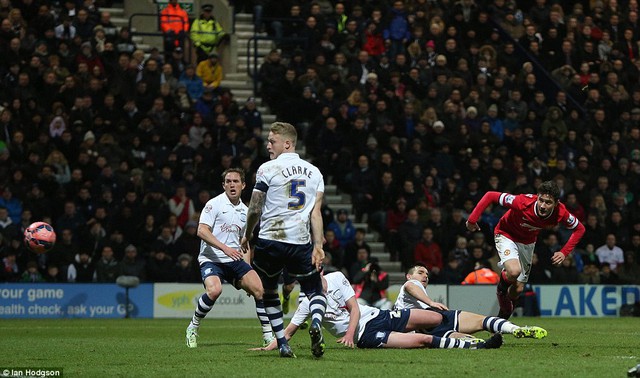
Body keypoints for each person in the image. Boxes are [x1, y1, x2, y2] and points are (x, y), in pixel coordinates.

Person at [241, 122, 327, 358]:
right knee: (315, 291)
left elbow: (255, 208)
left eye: (272, 141)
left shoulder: (267, 169)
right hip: (300, 242)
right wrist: (318, 246)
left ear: (287, 143)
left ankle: (283, 343)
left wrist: (247, 234)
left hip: (270, 240)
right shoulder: (315, 172)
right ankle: (316, 322)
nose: (268, 145)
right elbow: (315, 213)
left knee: (269, 291)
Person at [257, 271, 503, 351]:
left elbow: (354, 308)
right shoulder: (307, 304)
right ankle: (477, 346)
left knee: (435, 317)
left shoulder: (336, 278)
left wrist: (348, 334)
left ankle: (453, 333)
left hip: (376, 316)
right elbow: (287, 333)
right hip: (367, 335)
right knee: (422, 339)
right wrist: (267, 347)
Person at [465, 181, 585, 319]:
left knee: (518, 289)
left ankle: (501, 321)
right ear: (537, 196)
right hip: (506, 234)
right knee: (514, 271)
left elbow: (580, 229)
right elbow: (490, 195)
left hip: (527, 243)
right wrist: (472, 220)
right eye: (541, 200)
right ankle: (501, 291)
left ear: (556, 203)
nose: (543, 206)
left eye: (548, 202)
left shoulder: (561, 213)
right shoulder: (522, 202)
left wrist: (564, 252)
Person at [185, 168, 274, 349]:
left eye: (235, 181)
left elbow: (245, 242)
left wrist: (247, 268)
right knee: (214, 291)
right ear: (223, 185)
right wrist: (224, 248)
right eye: (228, 181)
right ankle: (193, 327)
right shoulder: (214, 204)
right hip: (211, 258)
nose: (232, 184)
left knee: (258, 289)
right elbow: (201, 231)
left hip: (234, 260)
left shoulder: (245, 211)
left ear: (243, 185)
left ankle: (267, 335)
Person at [394, 264, 547, 339]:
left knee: (476, 329)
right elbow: (410, 286)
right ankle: (514, 329)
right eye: (420, 272)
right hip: (427, 323)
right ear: (409, 276)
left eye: (427, 274)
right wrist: (431, 302)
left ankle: (516, 330)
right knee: (483, 321)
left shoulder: (414, 293)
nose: (425, 276)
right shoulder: (409, 285)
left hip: (430, 327)